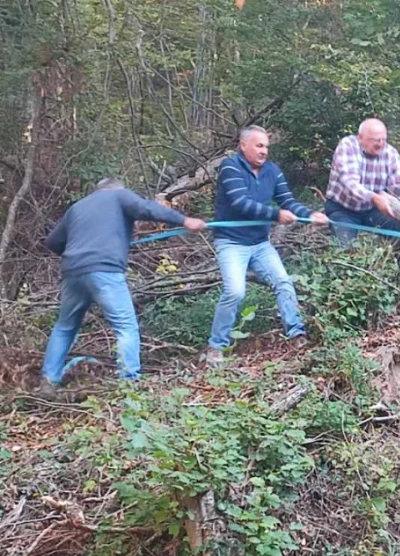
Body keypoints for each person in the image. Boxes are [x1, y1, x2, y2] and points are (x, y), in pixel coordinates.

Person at [41, 178, 206, 388]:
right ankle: (129, 383)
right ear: (115, 189)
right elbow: (146, 208)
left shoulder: (77, 207)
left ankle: (48, 380)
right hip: (104, 270)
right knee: (125, 326)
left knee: (65, 327)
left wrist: (77, 253)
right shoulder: (119, 195)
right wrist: (184, 220)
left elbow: (52, 242)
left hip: (72, 271)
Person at [202, 126, 330, 364]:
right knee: (235, 291)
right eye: (259, 146)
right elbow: (241, 203)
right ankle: (215, 346)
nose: (264, 151)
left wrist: (310, 214)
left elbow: (288, 201)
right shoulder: (230, 167)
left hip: (260, 243)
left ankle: (297, 334)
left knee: (283, 281)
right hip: (231, 242)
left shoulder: (272, 170)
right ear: (243, 145)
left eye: (266, 147)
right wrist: (275, 215)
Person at [324, 118, 400, 289]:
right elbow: (350, 183)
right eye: (376, 140)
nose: (381, 144)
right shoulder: (347, 146)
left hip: (370, 209)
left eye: (383, 139)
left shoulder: (390, 153)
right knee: (345, 252)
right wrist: (374, 197)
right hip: (343, 208)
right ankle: (345, 292)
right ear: (361, 138)